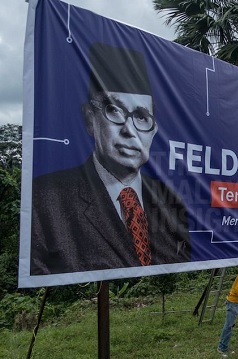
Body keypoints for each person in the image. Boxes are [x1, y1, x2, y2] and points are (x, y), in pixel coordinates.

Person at [30, 43, 191, 275]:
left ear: (154, 129)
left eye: (142, 117)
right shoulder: (47, 198)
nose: (130, 131)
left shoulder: (172, 199)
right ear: (89, 119)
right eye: (115, 111)